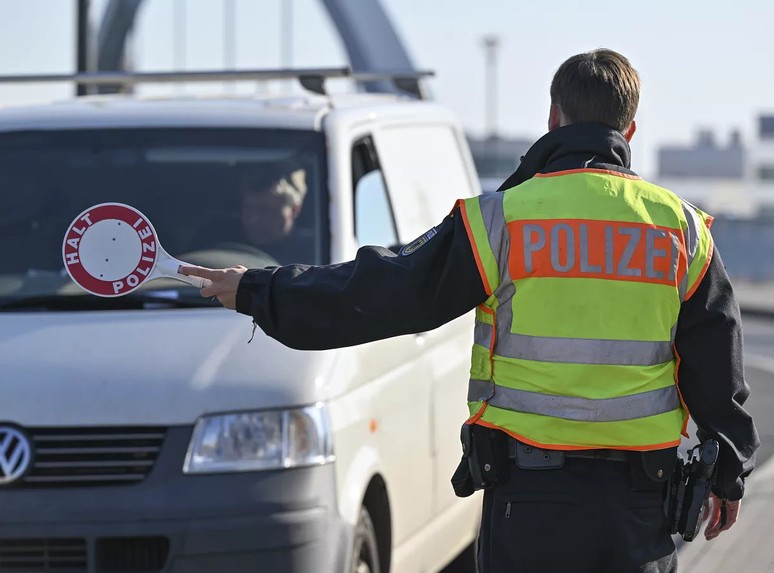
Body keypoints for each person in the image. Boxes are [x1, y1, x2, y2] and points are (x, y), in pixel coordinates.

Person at [181, 49, 759, 572]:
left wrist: (261, 290)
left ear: (553, 117)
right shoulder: (681, 229)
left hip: (529, 506)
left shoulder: (502, 219)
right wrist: (728, 472)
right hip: (639, 510)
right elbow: (717, 364)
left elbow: (387, 289)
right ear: (630, 129)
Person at [234, 166, 307, 263]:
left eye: (264, 210)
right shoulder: (225, 240)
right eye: (248, 208)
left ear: (295, 210)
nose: (253, 219)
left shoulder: (314, 259)